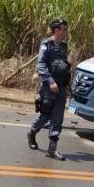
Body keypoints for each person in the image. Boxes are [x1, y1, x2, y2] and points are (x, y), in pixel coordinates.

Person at [27, 19, 71, 160]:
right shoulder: (46, 44)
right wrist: (50, 81)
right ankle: (32, 133)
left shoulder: (64, 46)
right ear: (56, 30)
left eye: (66, 29)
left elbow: (63, 65)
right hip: (48, 87)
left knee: (58, 118)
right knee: (44, 116)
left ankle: (52, 149)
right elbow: (41, 65)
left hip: (61, 87)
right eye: (63, 29)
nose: (65, 32)